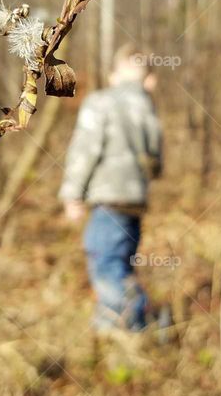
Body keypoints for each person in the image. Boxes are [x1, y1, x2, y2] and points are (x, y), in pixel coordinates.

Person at [59, 46, 163, 332]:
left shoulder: (100, 102)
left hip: (108, 199)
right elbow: (156, 163)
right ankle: (131, 321)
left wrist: (72, 193)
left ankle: (131, 321)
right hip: (135, 201)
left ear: (113, 76)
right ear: (149, 79)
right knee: (122, 264)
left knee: (104, 261)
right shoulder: (148, 108)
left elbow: (85, 150)